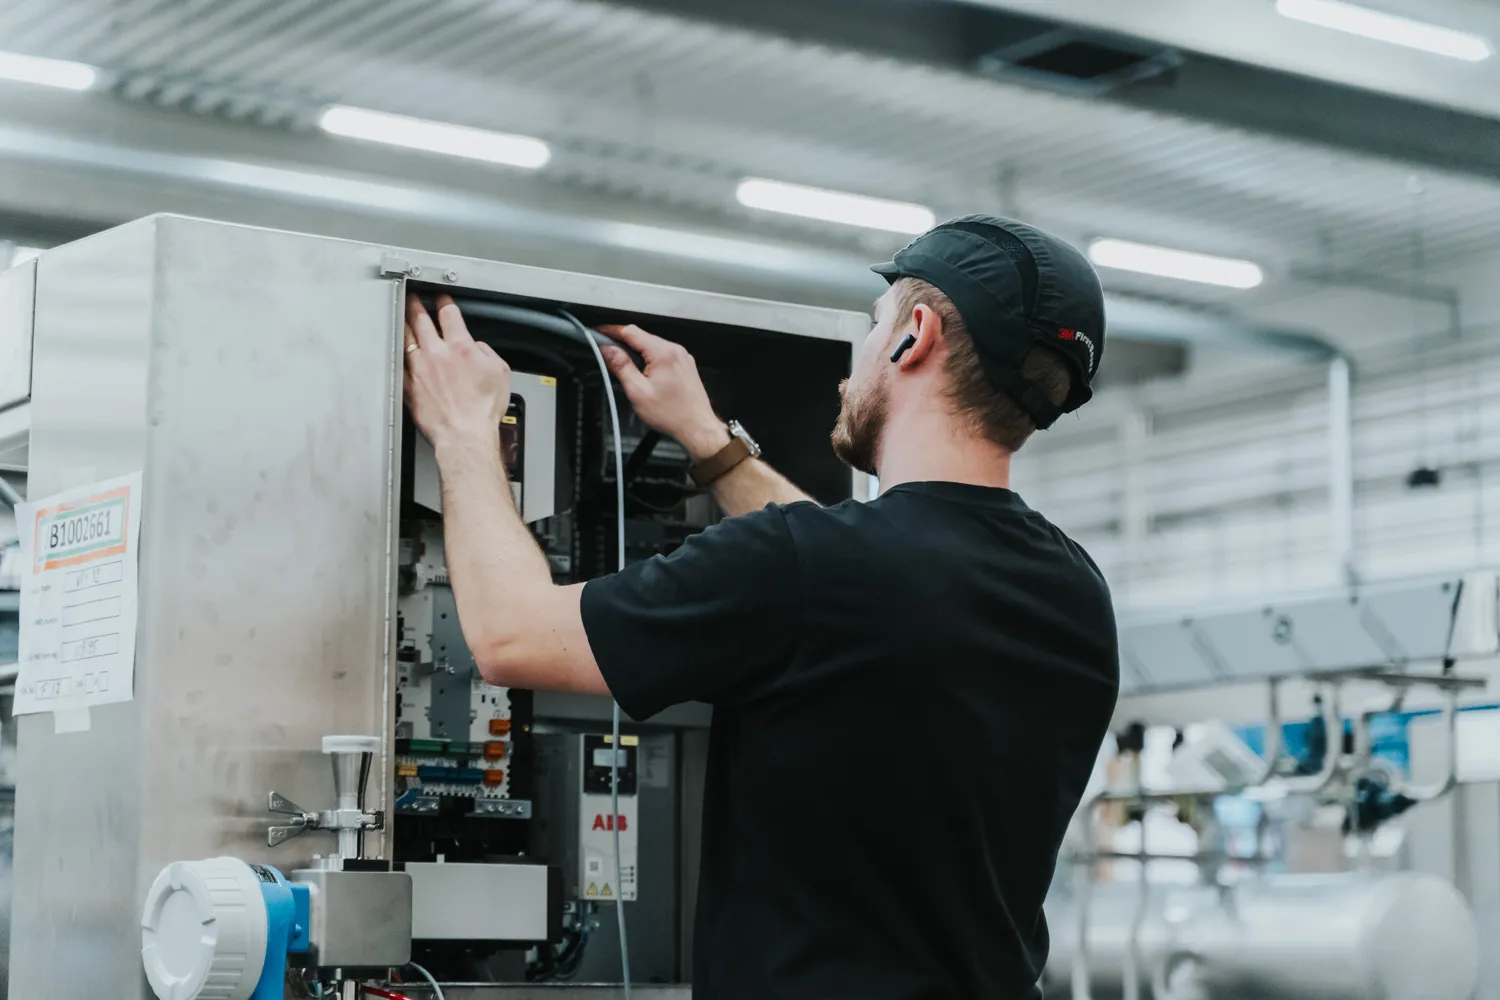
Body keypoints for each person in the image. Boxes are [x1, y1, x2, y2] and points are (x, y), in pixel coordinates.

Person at [402, 215, 1119, 999]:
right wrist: (709, 441)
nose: (854, 368)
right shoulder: (1075, 593)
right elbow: (846, 575)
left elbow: (512, 635)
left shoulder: (812, 568)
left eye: (873, 328)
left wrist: (465, 434)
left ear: (914, 336)